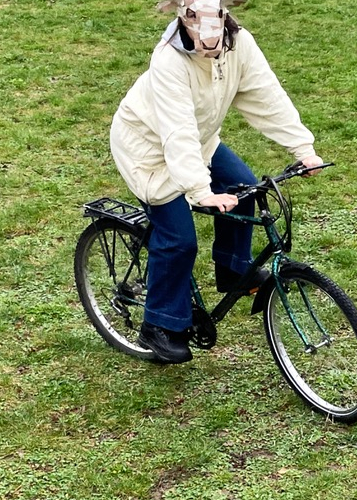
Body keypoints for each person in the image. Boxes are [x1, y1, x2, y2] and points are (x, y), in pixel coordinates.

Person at [109, 0, 324, 364]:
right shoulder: (168, 61)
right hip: (148, 151)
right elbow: (176, 131)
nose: (206, 29)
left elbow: (266, 95)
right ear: (182, 16)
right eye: (194, 18)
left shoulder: (239, 44)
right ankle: (158, 324)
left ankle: (232, 268)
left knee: (244, 188)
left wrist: (302, 147)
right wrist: (200, 191)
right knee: (178, 240)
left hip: (200, 141)